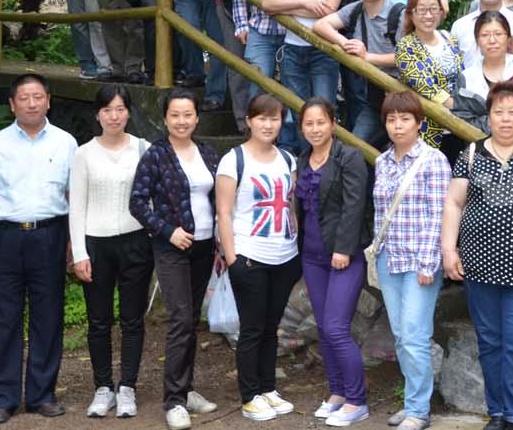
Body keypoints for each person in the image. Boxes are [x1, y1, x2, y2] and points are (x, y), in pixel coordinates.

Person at [441, 81, 513, 430]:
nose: (505, 119)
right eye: (498, 112)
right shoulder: (471, 154)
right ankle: (498, 413)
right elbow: (454, 202)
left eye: (512, 112)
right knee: (489, 342)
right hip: (478, 265)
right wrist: (449, 249)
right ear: (488, 117)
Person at [0, 74, 77, 426]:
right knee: (3, 317)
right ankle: (1, 398)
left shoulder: (65, 143)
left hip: (50, 234)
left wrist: (74, 241)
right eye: (24, 97)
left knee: (49, 315)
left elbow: (73, 196)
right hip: (6, 238)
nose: (32, 103)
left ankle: (42, 394)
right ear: (12, 104)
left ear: (48, 101)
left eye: (38, 96)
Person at [129, 91, 221, 430]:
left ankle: (187, 388)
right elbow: (137, 203)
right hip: (172, 248)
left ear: (197, 117)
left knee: (192, 318)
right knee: (181, 318)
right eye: (175, 115)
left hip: (204, 246)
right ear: (165, 119)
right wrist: (168, 231)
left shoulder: (208, 152)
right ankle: (174, 401)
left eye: (188, 115)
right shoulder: (156, 155)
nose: (182, 121)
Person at [70, 85, 152, 419]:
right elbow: (77, 206)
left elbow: (152, 197)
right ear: (98, 114)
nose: (114, 116)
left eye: (120, 109)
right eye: (107, 110)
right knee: (99, 320)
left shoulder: (143, 149)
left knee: (132, 319)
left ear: (128, 112)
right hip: (96, 243)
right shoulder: (84, 154)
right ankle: (102, 387)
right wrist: (79, 253)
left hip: (136, 241)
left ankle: (127, 386)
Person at [217, 95, 301, 422]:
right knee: (252, 329)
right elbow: (224, 213)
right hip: (250, 257)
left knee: (271, 327)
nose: (268, 125)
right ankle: (249, 395)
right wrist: (232, 258)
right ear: (249, 121)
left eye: (274, 118)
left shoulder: (288, 160)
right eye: (261, 118)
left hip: (285, 256)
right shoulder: (233, 160)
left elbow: (291, 205)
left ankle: (268, 388)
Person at [372, 91, 452, 430]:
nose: (398, 125)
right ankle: (412, 403)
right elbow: (379, 214)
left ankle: (419, 410)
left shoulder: (433, 160)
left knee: (414, 334)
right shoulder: (382, 161)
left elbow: (439, 215)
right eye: (391, 119)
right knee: (400, 334)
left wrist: (428, 263)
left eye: (405, 118)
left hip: (420, 259)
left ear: (419, 123)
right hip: (388, 258)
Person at [295, 96, 372, 427]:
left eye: (321, 122)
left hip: (343, 255)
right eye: (309, 123)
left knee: (337, 327)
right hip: (311, 256)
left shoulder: (349, 157)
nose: (315, 129)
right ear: (302, 128)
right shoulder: (303, 159)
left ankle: (357, 400)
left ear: (333, 124)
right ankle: (338, 393)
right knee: (324, 329)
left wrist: (343, 249)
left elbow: (355, 206)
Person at [261, 0, 346, 150]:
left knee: (324, 109)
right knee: (297, 110)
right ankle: (304, 161)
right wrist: (304, 3)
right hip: (292, 48)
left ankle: (325, 163)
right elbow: (267, 3)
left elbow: (329, 8)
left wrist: (284, 7)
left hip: (324, 49)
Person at [314, 0, 402, 147]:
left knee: (399, 148)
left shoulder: (399, 14)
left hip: (401, 95)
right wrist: (346, 43)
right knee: (355, 145)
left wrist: (367, 57)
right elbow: (320, 25)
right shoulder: (354, 10)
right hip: (374, 96)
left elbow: (408, 58)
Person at [394, 0, 462, 148]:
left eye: (433, 9)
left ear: (441, 12)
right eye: (422, 10)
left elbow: (462, 75)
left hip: (459, 125)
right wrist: (460, 107)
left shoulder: (448, 37)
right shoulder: (406, 46)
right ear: (411, 14)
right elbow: (427, 87)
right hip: (428, 128)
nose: (429, 15)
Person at [456, 11, 513, 134]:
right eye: (485, 35)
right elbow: (461, 119)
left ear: (508, 38)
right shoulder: (466, 77)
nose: (492, 40)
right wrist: (494, 123)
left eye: (498, 34)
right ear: (477, 40)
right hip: (480, 144)